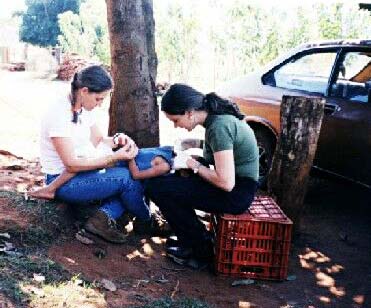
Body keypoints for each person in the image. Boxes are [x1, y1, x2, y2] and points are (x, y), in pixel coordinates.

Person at [38, 65, 159, 244]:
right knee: (127, 178)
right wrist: (113, 158)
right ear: (84, 91)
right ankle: (146, 221)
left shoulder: (84, 109)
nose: (100, 104)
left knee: (138, 164)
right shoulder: (58, 114)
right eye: (98, 98)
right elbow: (71, 165)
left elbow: (99, 139)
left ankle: (104, 217)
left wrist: (118, 140)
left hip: (82, 171)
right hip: (62, 181)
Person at [145, 83, 259, 267]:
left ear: (190, 112)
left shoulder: (219, 127)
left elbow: (225, 182)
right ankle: (190, 239)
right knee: (166, 183)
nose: (176, 126)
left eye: (175, 120)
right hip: (238, 185)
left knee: (158, 188)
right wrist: (196, 146)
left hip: (237, 193)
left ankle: (200, 248)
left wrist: (193, 164)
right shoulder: (216, 120)